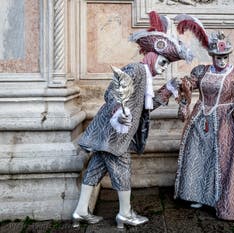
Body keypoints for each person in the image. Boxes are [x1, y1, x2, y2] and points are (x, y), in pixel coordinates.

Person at [72, 11, 192, 229]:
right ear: (152, 55)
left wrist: (169, 89)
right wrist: (119, 113)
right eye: (163, 62)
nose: (164, 68)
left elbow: (146, 107)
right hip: (115, 135)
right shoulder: (136, 69)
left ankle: (80, 211)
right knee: (122, 171)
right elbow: (112, 93)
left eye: (167, 64)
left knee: (96, 169)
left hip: (111, 138)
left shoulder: (145, 79)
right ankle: (125, 213)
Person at [173, 14, 234, 220]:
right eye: (218, 57)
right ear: (212, 56)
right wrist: (184, 86)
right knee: (200, 156)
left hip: (227, 122)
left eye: (225, 56)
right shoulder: (202, 70)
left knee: (222, 160)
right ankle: (200, 195)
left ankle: (221, 198)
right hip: (201, 119)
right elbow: (190, 82)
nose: (222, 60)